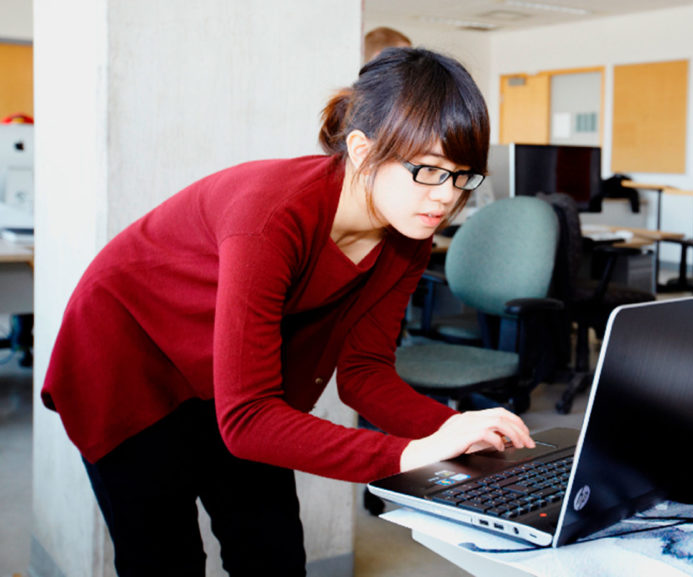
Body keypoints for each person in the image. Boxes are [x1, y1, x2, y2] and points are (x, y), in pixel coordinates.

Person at [41, 48, 534, 576]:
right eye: (428, 171)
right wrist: (406, 455)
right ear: (363, 151)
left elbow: (364, 375)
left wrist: (459, 430)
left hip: (230, 382)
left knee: (272, 551)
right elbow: (248, 420)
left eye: (462, 176)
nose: (444, 197)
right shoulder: (272, 219)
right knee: (164, 557)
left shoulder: (408, 237)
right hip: (128, 361)